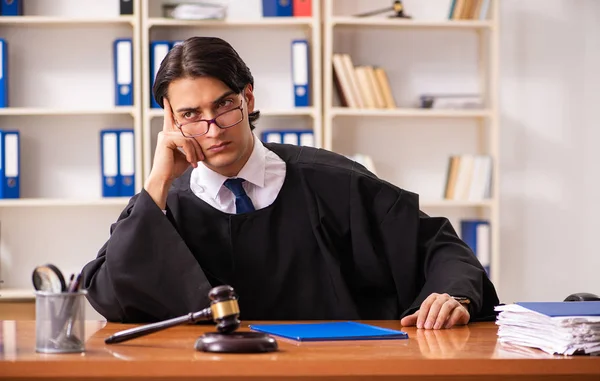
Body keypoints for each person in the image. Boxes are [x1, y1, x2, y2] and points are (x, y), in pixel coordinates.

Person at [81, 36, 500, 330]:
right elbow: (110, 293)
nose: (212, 129)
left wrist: (453, 296)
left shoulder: (334, 182)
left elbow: (438, 247)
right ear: (170, 120)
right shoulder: (165, 207)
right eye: (191, 114)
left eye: (224, 105)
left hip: (338, 378)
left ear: (248, 98)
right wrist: (156, 182)